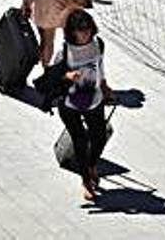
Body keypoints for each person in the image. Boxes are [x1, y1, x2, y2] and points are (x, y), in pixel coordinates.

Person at [54, 10, 112, 201]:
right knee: (79, 141)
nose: (85, 33)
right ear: (72, 31)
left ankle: (91, 165)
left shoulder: (97, 45)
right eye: (80, 30)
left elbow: (100, 65)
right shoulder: (65, 51)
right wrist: (67, 76)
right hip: (70, 103)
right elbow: (53, 76)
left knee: (99, 137)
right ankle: (86, 182)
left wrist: (104, 85)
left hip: (93, 99)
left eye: (87, 29)